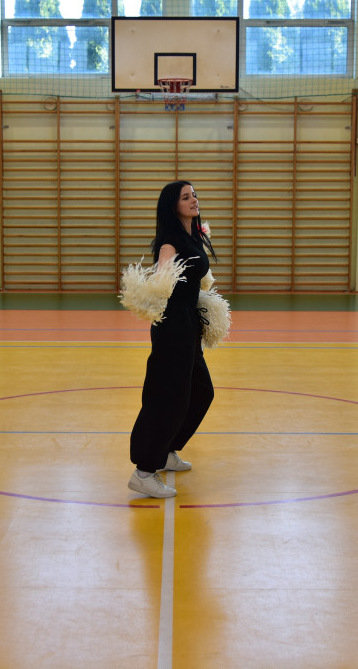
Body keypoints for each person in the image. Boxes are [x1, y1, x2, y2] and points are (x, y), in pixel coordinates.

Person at [128, 181, 216, 498]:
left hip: (190, 324)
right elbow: (161, 273)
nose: (194, 200)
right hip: (172, 326)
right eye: (186, 197)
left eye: (194, 194)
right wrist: (160, 278)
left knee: (202, 392)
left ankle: (166, 451)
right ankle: (144, 471)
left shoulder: (192, 235)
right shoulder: (170, 241)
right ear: (172, 205)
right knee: (167, 398)